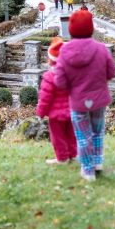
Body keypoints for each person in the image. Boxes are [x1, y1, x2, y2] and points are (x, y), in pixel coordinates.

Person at [54, 9, 115, 181]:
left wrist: (71, 88)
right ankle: (97, 162)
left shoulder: (65, 52)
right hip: (99, 99)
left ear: (71, 29)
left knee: (83, 136)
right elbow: (111, 72)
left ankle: (88, 171)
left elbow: (59, 81)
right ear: (91, 29)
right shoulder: (101, 49)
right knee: (97, 132)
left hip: (78, 101)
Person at [36, 37, 77, 165]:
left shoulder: (49, 76)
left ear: (50, 60)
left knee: (58, 137)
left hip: (56, 115)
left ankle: (62, 158)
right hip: (72, 111)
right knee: (71, 134)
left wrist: (40, 113)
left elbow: (45, 98)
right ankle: (72, 155)